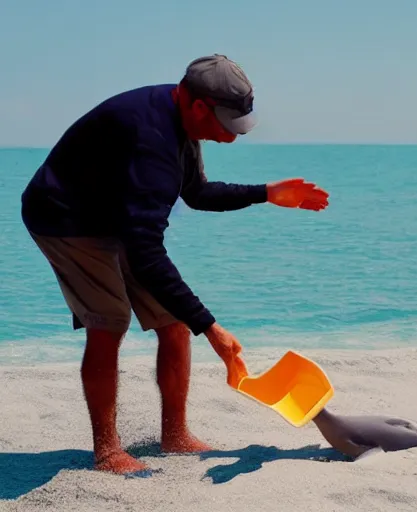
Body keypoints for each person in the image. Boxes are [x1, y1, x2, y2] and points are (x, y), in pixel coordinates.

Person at [21, 54, 329, 474]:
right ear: (198, 105)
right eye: (226, 126)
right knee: (109, 320)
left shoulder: (181, 122)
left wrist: (266, 193)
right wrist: (212, 327)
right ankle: (107, 451)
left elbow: (197, 193)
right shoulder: (151, 143)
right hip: (64, 216)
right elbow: (147, 253)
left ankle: (175, 434)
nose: (232, 138)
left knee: (173, 320)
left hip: (116, 213)